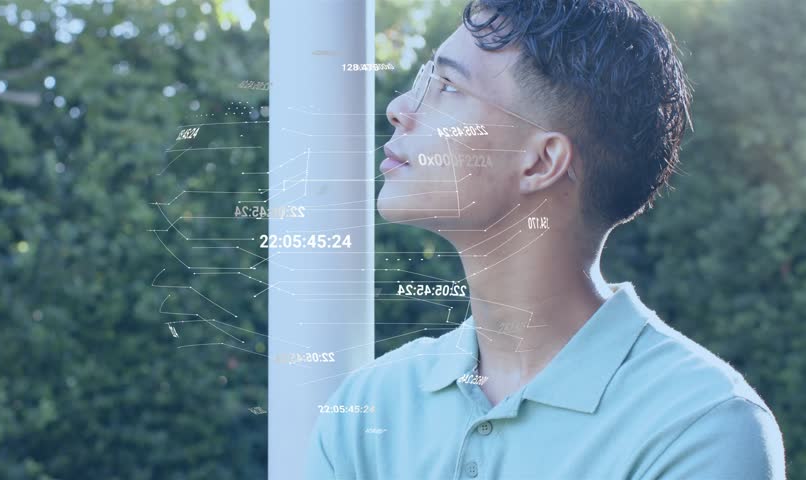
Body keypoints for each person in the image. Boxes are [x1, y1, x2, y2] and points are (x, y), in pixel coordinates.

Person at [305, 0, 787, 478]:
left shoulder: (700, 426)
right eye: (425, 81)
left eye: (448, 88)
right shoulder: (371, 405)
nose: (399, 109)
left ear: (540, 162)